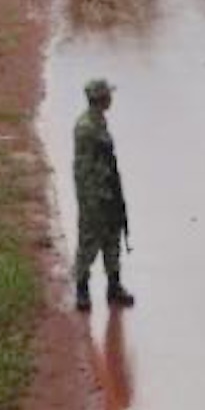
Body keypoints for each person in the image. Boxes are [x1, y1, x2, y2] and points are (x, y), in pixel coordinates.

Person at [74, 79, 135, 311]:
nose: (111, 98)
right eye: (108, 95)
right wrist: (92, 200)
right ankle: (82, 289)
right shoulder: (86, 128)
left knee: (112, 240)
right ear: (101, 99)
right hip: (94, 196)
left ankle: (114, 286)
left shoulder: (98, 122)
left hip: (107, 191)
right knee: (89, 242)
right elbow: (84, 170)